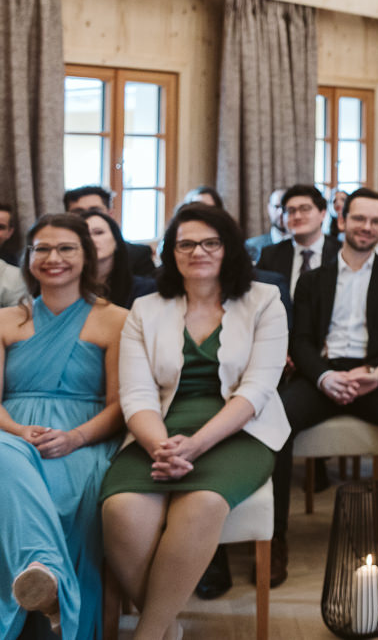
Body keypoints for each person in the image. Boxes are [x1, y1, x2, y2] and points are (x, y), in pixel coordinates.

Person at [101, 204, 288, 640]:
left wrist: (196, 446)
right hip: (159, 428)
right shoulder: (145, 309)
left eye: (210, 242)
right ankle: (169, 628)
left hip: (239, 430)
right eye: (185, 243)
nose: (197, 251)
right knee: (121, 510)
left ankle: (148, 635)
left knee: (203, 502)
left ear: (228, 250)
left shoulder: (265, 301)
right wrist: (159, 446)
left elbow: (257, 391)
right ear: (170, 252)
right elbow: (137, 393)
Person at [272, 188, 378, 582]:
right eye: (359, 218)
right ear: (341, 221)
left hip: (374, 374)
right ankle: (274, 537)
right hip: (325, 373)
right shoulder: (312, 280)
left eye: (376, 221)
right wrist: (324, 376)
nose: (367, 227)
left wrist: (376, 374)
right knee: (277, 418)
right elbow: (301, 340)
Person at [0, 214, 126, 639]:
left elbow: (119, 404)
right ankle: (46, 576)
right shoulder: (3, 320)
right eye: (43, 249)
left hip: (83, 436)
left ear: (86, 256)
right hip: (11, 432)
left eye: (66, 248)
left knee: (62, 486)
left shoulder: (117, 320)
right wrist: (18, 432)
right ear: (28, 259)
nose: (54, 258)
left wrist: (75, 437)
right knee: (4, 457)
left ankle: (45, 590)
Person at [256, 184, 341, 303]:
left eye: (305, 209)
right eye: (291, 211)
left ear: (323, 213)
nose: (297, 216)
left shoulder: (340, 252)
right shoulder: (270, 255)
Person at [64, 187, 157, 277]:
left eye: (95, 211)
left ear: (110, 214)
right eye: (78, 212)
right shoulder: (59, 256)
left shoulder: (137, 255)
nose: (88, 217)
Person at [81, 208, 154, 308]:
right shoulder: (68, 289)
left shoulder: (145, 289)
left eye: (98, 233)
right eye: (85, 235)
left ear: (116, 240)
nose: (92, 240)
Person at [243, 187, 288, 261]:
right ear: (269, 208)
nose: (281, 212)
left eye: (285, 207)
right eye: (277, 207)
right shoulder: (252, 246)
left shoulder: (303, 246)